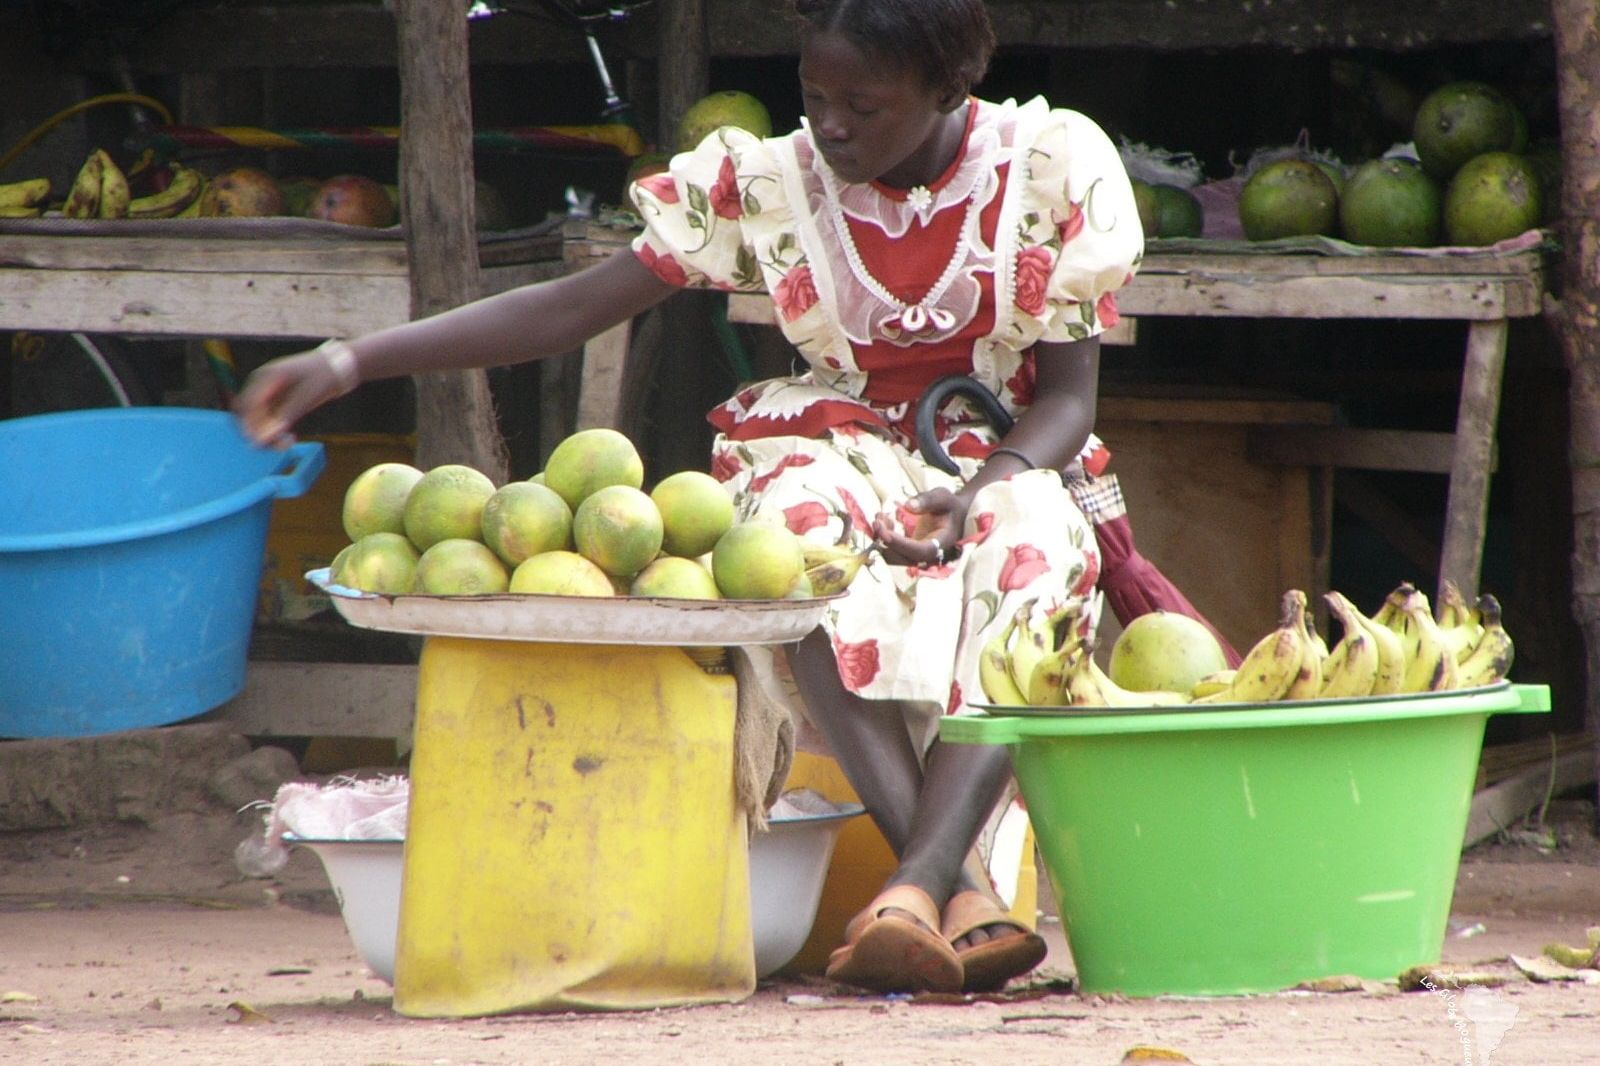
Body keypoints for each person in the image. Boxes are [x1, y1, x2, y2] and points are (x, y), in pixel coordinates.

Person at [237, 0, 1142, 996]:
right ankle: (952, 892)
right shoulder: (763, 181)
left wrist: (983, 488)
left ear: (944, 89)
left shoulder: (1050, 166)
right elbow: (568, 309)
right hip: (836, 435)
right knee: (785, 539)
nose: (830, 126)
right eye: (814, 97)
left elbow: (1064, 399)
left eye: (861, 106)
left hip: (1005, 447)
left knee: (1026, 547)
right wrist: (350, 359)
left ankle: (918, 884)